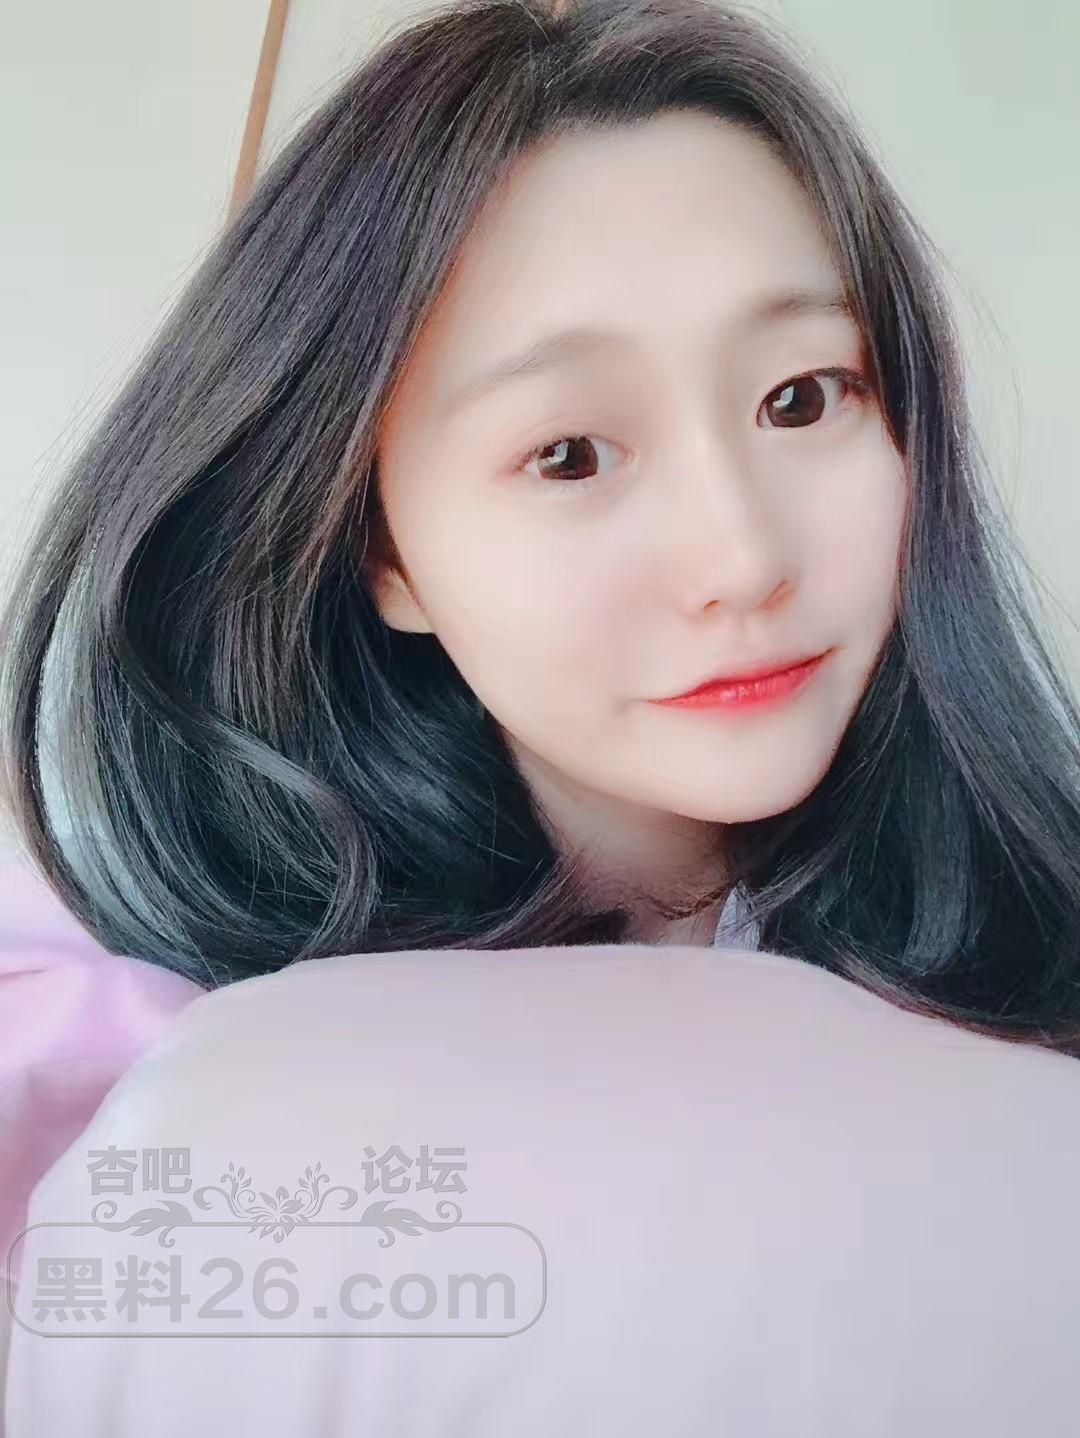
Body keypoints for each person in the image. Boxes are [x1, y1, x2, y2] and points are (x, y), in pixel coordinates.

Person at [2, 0, 1080, 1428]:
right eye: (571, 454)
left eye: (803, 397)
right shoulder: (122, 1040)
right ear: (382, 551)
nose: (742, 556)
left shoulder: (1028, 962)